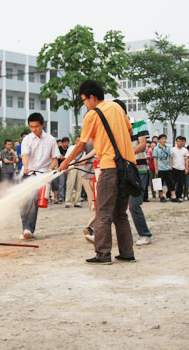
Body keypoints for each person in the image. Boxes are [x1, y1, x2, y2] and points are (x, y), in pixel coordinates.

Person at [59, 79, 136, 264]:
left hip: (110, 167)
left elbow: (81, 144)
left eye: (84, 100)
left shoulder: (92, 115)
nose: (84, 104)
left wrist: (66, 162)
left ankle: (103, 254)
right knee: (120, 213)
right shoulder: (117, 108)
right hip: (127, 167)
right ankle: (127, 253)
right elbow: (129, 130)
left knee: (102, 211)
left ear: (92, 97)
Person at [113, 99, 153, 246]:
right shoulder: (115, 128)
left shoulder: (139, 124)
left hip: (139, 170)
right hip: (122, 170)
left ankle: (145, 234)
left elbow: (142, 144)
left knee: (134, 204)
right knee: (114, 203)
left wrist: (126, 156)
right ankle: (99, 232)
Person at [20, 113, 60, 240]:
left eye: (36, 126)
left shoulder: (51, 140)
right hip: (28, 172)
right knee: (24, 201)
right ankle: (25, 228)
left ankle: (28, 229)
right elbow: (25, 155)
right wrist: (26, 167)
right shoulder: (27, 140)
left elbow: (55, 159)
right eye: (31, 127)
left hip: (42, 175)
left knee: (33, 200)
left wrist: (50, 170)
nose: (34, 129)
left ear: (42, 125)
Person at [153, 134, 178, 203]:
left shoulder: (168, 148)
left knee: (171, 182)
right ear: (159, 140)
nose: (164, 140)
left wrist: (171, 165)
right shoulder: (156, 148)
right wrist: (156, 168)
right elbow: (155, 158)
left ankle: (173, 196)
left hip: (167, 168)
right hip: (160, 168)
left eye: (165, 139)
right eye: (162, 139)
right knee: (160, 183)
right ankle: (161, 196)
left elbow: (170, 157)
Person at [80, 141, 97, 243]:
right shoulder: (86, 140)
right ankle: (92, 228)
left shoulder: (102, 135)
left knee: (96, 204)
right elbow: (80, 155)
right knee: (92, 203)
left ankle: (91, 227)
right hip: (86, 176)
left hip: (99, 175)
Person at [64, 136, 84, 208]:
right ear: (75, 141)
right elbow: (66, 158)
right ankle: (68, 201)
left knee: (79, 185)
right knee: (70, 184)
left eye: (80, 140)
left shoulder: (83, 149)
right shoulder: (71, 148)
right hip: (72, 166)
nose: (78, 142)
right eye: (77, 140)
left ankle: (77, 201)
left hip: (80, 167)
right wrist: (66, 166)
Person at [172, 136, 189, 201]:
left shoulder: (185, 150)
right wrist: (171, 166)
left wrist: (186, 168)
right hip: (174, 167)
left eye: (181, 141)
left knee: (180, 183)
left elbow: (186, 160)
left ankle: (179, 195)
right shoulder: (173, 149)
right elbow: (171, 158)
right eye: (178, 141)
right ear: (176, 141)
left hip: (182, 168)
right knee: (173, 182)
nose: (180, 142)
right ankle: (172, 195)